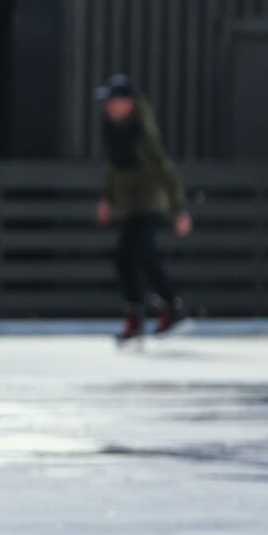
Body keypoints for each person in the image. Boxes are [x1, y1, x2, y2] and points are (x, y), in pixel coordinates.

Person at [94, 74, 193, 343]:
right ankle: (171, 307)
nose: (110, 107)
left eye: (115, 101)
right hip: (130, 205)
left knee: (125, 257)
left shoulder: (142, 133)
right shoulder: (115, 131)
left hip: (148, 204)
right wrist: (107, 200)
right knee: (146, 258)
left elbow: (165, 169)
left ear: (129, 103)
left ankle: (136, 315)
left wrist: (179, 209)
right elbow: (115, 170)